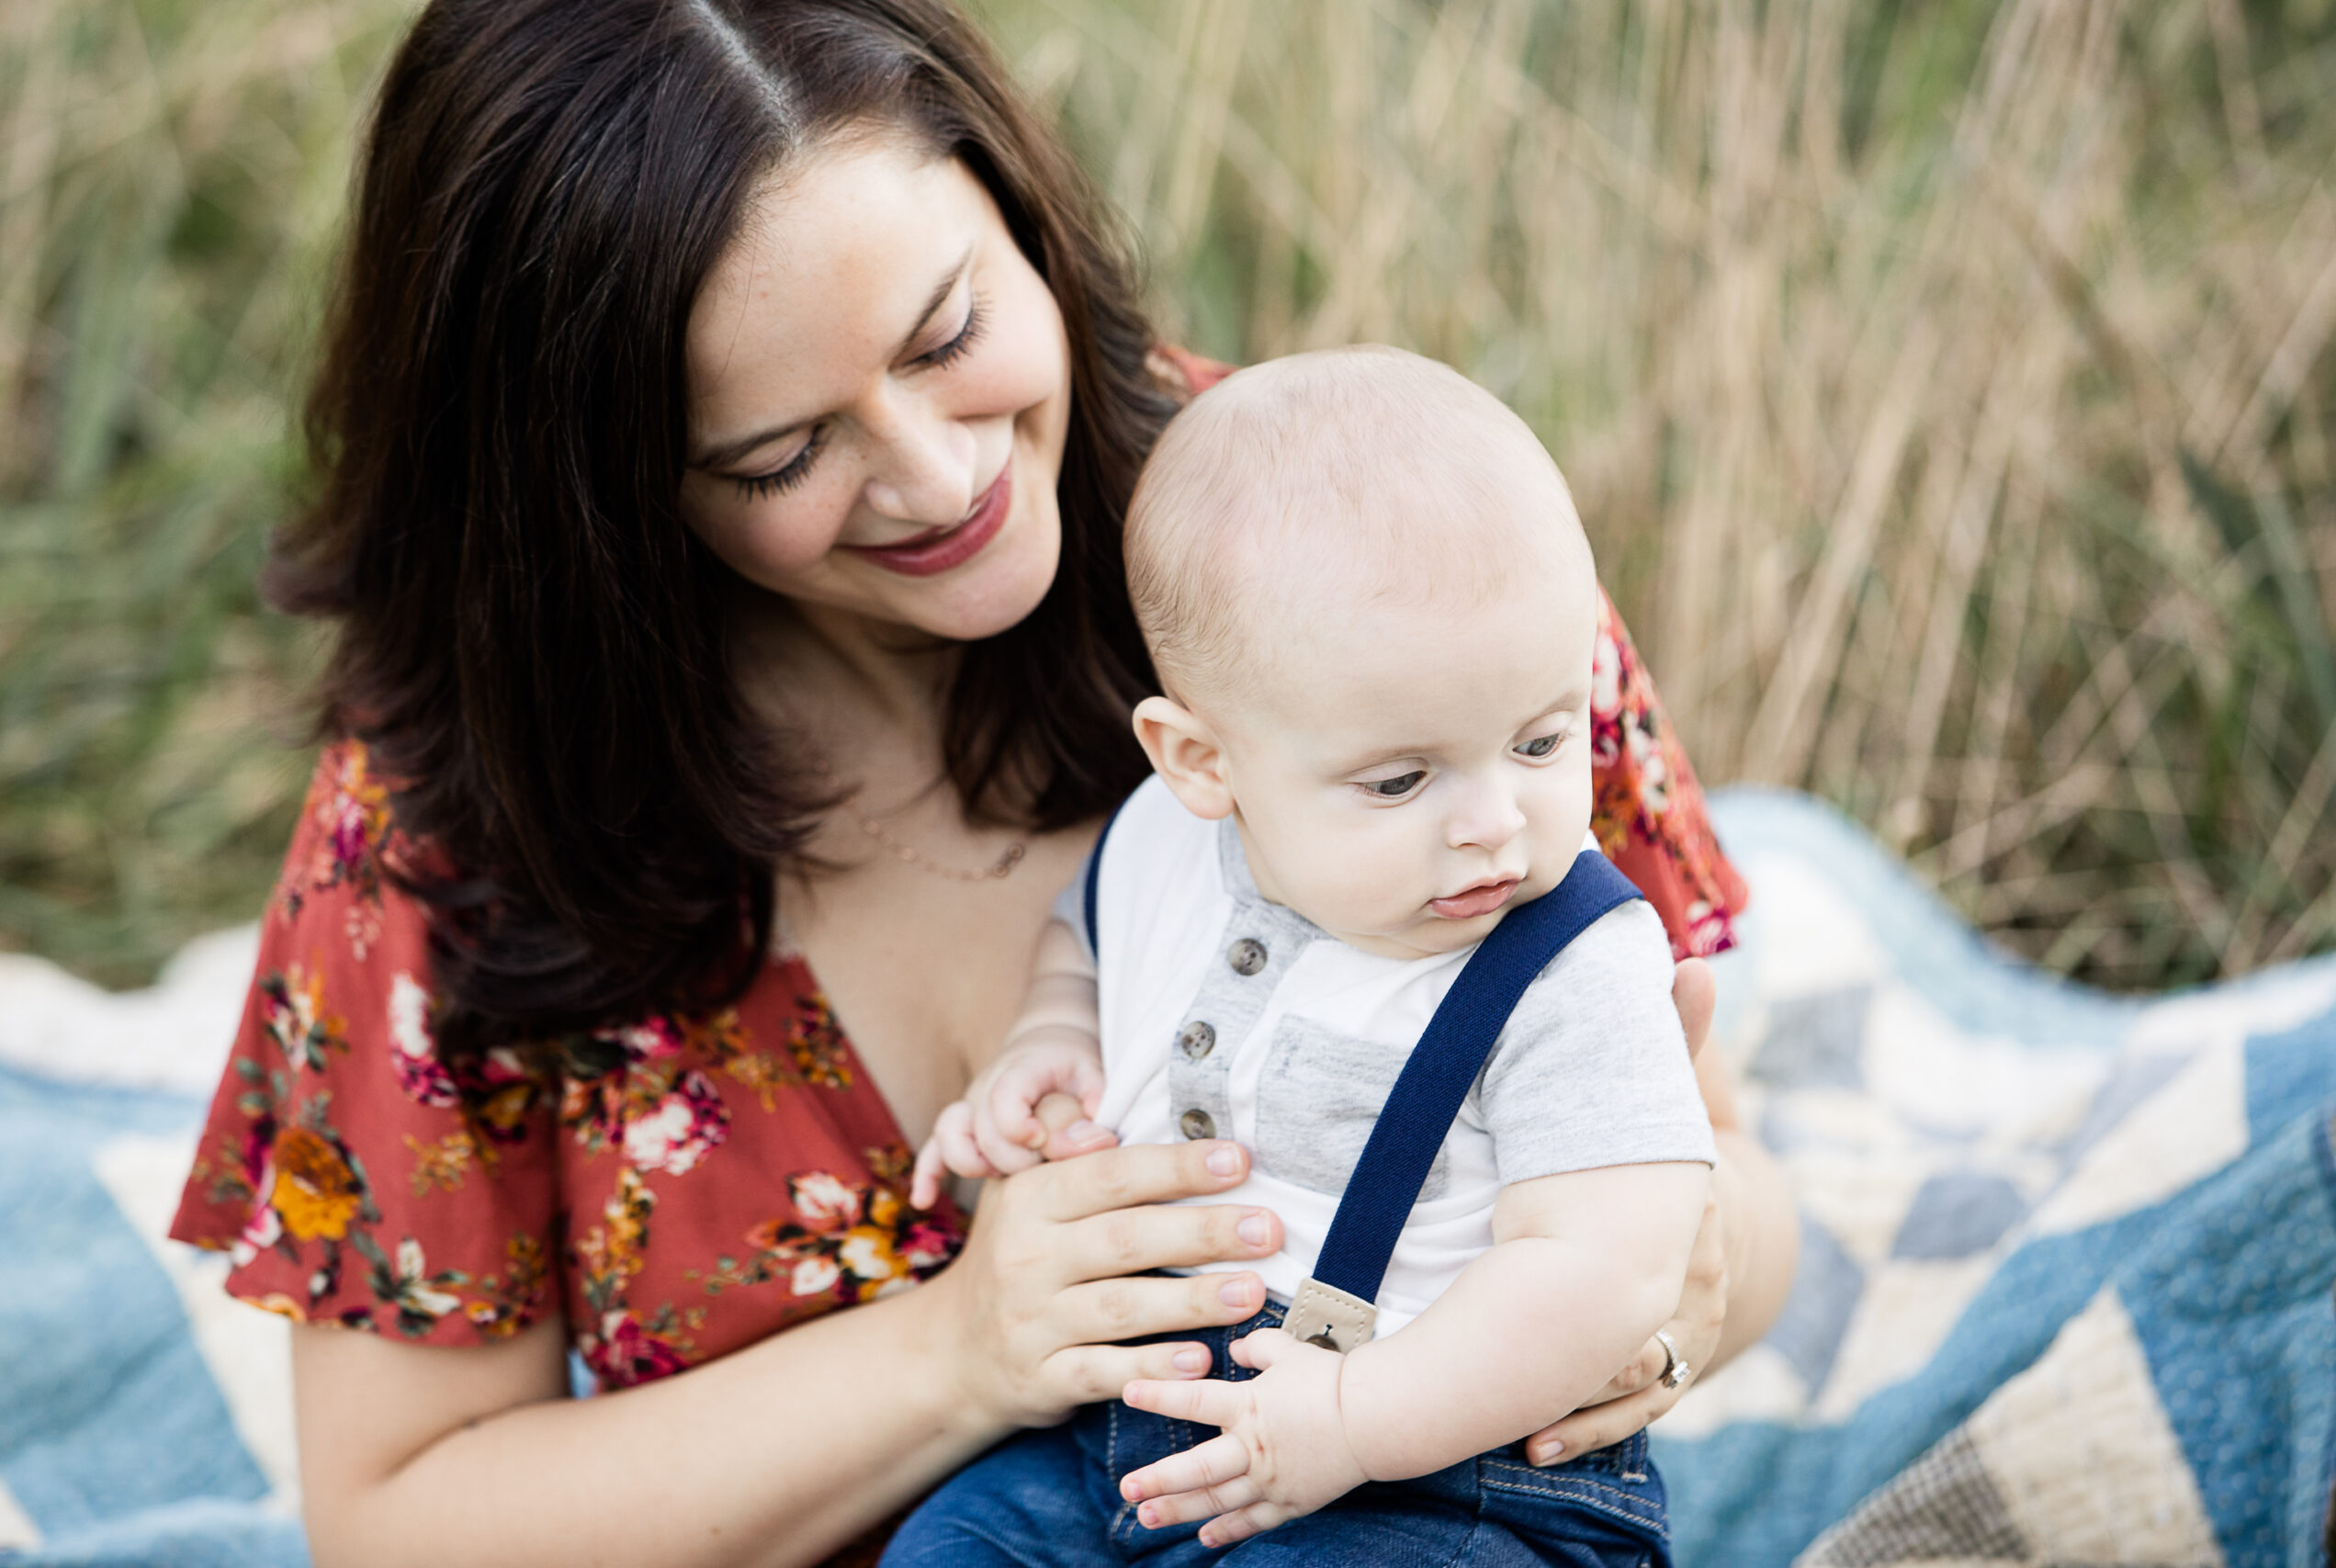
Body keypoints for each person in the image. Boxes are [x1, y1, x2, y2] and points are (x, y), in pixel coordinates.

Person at [163, 3, 1798, 1565]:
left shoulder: (1369, 559)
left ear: (1021, 216)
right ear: (599, 491)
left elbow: (1733, 1189)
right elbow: (394, 1522)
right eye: (782, 454)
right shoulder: (458, 816)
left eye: (948, 335)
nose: (942, 477)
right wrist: (958, 1356)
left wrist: (1662, 1308)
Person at [887, 347, 1713, 1565]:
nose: (1496, 821)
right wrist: (1049, 1040)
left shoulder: (1570, 965)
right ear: (1202, 763)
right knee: (954, 1545)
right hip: (1131, 1425)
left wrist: (1353, 1421)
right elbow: (1087, 939)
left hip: (1440, 1469)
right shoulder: (1167, 841)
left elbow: (1607, 1269)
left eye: (1541, 742)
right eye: (1401, 779)